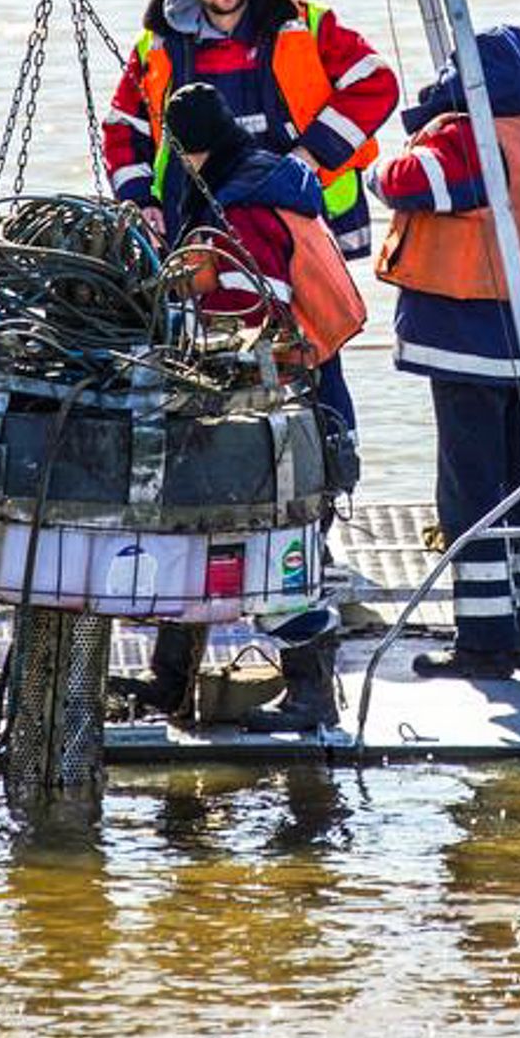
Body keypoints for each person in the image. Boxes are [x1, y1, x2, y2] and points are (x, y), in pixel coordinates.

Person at [118, 85, 362, 733]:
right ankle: (169, 682)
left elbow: (250, 307)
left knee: (269, 555)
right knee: (197, 540)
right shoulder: (265, 182)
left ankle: (312, 698)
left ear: (183, 148)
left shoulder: (239, 208)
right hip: (305, 396)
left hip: (277, 413)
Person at [371, 25, 520, 679]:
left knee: (469, 492)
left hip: (471, 344)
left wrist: (376, 169)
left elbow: (413, 184)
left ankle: (483, 642)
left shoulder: (468, 137)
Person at [102, 0, 399, 259]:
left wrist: (310, 155)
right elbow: (123, 128)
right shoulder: (158, 46)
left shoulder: (306, 24)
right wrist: (141, 199)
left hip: (304, 211)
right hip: (196, 222)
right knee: (217, 306)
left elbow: (376, 83)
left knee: (309, 309)